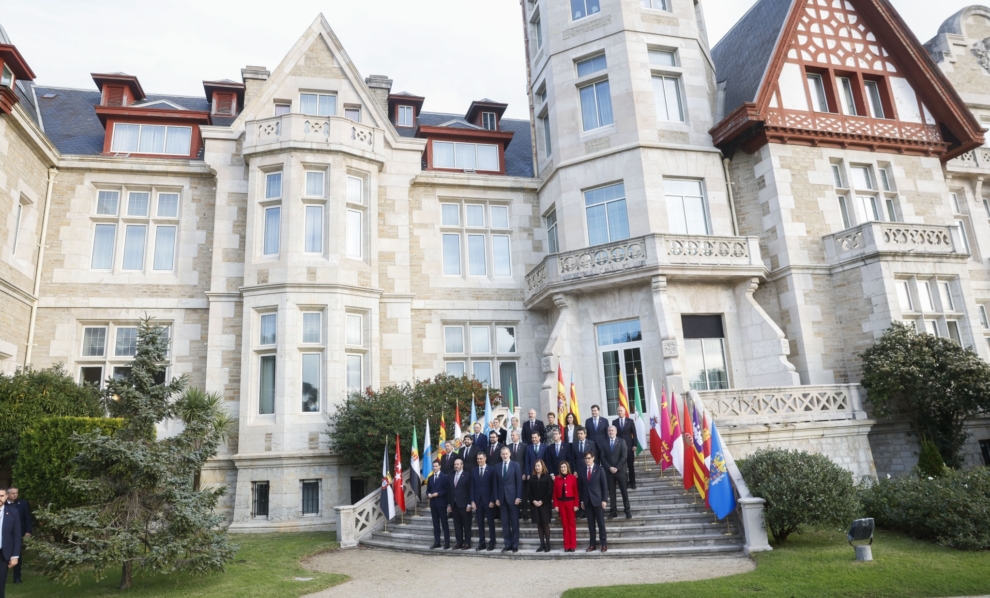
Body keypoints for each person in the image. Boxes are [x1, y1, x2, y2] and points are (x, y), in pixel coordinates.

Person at [578, 452, 608, 553]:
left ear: (593, 458)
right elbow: (580, 488)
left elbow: (604, 486)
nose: (587, 460)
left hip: (598, 501)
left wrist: (604, 500)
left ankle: (603, 544)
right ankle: (592, 544)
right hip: (587, 501)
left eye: (589, 458)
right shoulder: (582, 471)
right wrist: (582, 501)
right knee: (591, 525)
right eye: (585, 458)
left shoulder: (599, 469)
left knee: (601, 524)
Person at [494, 446, 523, 553]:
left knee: (515, 523)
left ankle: (515, 545)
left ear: (510, 454)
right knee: (505, 523)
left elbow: (519, 483)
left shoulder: (516, 465)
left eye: (506, 454)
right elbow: (495, 484)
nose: (505, 456)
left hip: (513, 498)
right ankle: (508, 544)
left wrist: (518, 497)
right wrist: (496, 498)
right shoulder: (497, 467)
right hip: (502, 499)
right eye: (503, 454)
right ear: (501, 455)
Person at [602, 425, 631, 520]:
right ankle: (613, 512)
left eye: (612, 430)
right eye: (609, 430)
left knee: (624, 492)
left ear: (616, 431)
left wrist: (617, 467)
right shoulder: (604, 443)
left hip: (620, 471)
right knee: (612, 493)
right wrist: (609, 467)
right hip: (609, 472)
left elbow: (624, 456)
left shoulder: (622, 441)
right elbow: (603, 457)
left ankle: (627, 511)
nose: (610, 432)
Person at [471, 451, 497, 551]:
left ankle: (492, 542)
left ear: (485, 459)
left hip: (488, 501)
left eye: (481, 459)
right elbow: (472, 487)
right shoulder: (474, 471)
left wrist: (492, 500)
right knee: (480, 523)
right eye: (478, 459)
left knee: (491, 523)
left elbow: (494, 486)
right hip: (478, 501)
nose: (479, 461)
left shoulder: (491, 470)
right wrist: (472, 501)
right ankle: (482, 543)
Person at [446, 458, 473, 549]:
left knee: (466, 525)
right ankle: (459, 542)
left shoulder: (467, 476)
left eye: (458, 464)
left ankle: (467, 543)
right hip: (454, 505)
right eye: (455, 464)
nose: (456, 466)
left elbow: (470, 491)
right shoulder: (450, 476)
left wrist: (469, 504)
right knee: (457, 525)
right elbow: (449, 491)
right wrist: (449, 504)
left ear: (462, 465)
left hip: (464, 505)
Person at [5, 488, 30, 584]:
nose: (15, 495)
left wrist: (28, 531)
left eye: (16, 493)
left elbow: (27, 518)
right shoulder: (3, 504)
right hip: (6, 533)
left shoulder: (23, 503)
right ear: (8, 494)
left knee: (17, 555)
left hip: (18, 533)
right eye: (12, 493)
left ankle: (17, 577)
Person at [570, 426, 596, 518]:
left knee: (588, 489)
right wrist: (574, 470)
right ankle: (582, 510)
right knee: (580, 490)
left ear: (585, 434)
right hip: (578, 471)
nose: (579, 435)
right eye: (578, 434)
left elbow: (594, 457)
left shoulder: (591, 443)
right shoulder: (574, 444)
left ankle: (590, 509)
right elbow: (572, 459)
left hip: (589, 470)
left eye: (581, 434)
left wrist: (593, 470)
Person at [528, 459, 553, 552]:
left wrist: (542, 501)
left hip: (545, 504)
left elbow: (549, 491)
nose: (537, 467)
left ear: (542, 466)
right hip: (535, 504)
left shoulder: (547, 477)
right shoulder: (532, 478)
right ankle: (542, 544)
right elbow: (529, 491)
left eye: (538, 466)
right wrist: (533, 500)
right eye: (536, 466)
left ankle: (548, 544)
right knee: (539, 524)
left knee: (545, 524)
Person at [553, 461, 579, 553]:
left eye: (564, 467)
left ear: (567, 468)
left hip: (571, 503)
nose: (563, 469)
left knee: (571, 524)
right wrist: (555, 504)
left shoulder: (572, 478)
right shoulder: (557, 478)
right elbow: (555, 493)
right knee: (565, 525)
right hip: (561, 503)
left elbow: (576, 492)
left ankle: (572, 545)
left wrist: (576, 504)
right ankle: (566, 545)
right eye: (561, 467)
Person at [0, 488, 21, 594]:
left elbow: (17, 535)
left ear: (6, 497)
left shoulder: (13, 513)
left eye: (1, 496)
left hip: (3, 554)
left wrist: (15, 556)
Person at [426, 461, 450, 549]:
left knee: (444, 523)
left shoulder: (444, 477)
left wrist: (438, 494)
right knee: (435, 524)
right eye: (433, 466)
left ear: (440, 466)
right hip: (433, 504)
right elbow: (428, 490)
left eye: (436, 466)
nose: (434, 468)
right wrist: (428, 494)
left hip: (441, 503)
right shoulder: (430, 478)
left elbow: (446, 490)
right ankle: (437, 542)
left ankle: (447, 542)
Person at [524, 432, 547, 522]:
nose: (533, 439)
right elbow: (527, 461)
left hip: (542, 474)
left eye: (535, 437)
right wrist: (528, 473)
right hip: (532, 474)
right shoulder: (528, 448)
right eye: (532, 437)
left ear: (539, 437)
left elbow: (546, 460)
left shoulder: (544, 447)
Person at [613, 405, 637, 489]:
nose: (619, 412)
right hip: (619, 448)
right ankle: (624, 483)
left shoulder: (630, 421)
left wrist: (634, 445)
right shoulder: (614, 422)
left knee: (630, 466)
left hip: (629, 447)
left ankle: (632, 482)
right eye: (618, 411)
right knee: (622, 467)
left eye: (621, 411)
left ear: (624, 412)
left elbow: (634, 434)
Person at [506, 430, 527, 519]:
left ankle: (525, 513)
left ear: (518, 436)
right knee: (514, 495)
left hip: (521, 474)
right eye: (511, 435)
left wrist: (525, 472)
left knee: (523, 494)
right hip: (511, 475)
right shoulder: (508, 446)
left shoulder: (524, 446)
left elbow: (526, 460)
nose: (512, 436)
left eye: (513, 435)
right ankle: (517, 514)